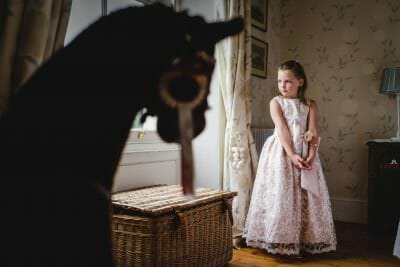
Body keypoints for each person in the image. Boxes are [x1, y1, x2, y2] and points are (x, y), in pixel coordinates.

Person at [243, 60, 336, 257]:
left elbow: (312, 130)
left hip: (305, 151)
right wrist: (292, 154)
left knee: (305, 195)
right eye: (279, 81)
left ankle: (305, 238)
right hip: (281, 151)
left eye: (287, 81)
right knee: (283, 194)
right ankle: (281, 238)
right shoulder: (276, 102)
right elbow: (282, 129)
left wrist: (311, 154)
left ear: (300, 82)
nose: (282, 86)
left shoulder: (310, 105)